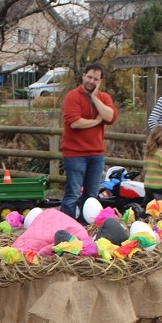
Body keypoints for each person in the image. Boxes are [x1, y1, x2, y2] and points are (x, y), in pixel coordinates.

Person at [59, 63, 117, 219]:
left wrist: (94, 98)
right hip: (75, 154)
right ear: (83, 76)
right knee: (73, 193)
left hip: (96, 154)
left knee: (91, 196)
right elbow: (75, 122)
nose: (91, 81)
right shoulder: (72, 96)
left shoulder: (104, 98)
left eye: (96, 79)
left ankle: (85, 227)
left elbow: (110, 116)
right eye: (89, 77)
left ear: (100, 81)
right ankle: (67, 225)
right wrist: (97, 122)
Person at [141, 126, 162, 206]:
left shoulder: (148, 153)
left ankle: (144, 217)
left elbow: (145, 169)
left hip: (149, 185)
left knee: (150, 206)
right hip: (161, 186)